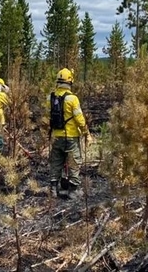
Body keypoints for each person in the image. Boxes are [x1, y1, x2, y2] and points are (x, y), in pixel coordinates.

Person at [47, 68, 93, 200]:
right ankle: (73, 191)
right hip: (71, 137)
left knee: (56, 163)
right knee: (74, 163)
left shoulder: (50, 97)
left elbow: (47, 117)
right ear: (70, 82)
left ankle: (53, 189)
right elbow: (79, 119)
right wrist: (86, 134)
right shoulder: (72, 99)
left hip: (56, 136)